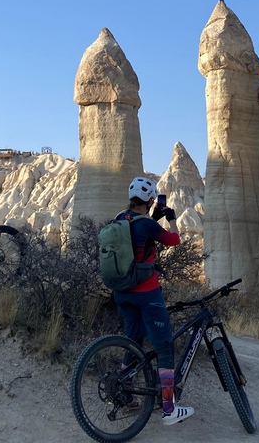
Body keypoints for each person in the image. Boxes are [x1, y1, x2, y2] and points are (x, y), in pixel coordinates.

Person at [113, 177, 194, 425]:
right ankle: (169, 409)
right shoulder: (147, 224)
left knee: (133, 339)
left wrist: (154, 217)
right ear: (150, 200)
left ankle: (124, 390)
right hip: (147, 294)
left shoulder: (119, 219)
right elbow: (174, 240)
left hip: (121, 292)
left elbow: (138, 233)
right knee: (164, 346)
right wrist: (170, 217)